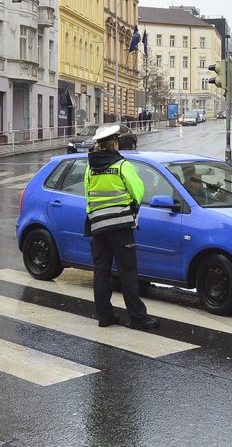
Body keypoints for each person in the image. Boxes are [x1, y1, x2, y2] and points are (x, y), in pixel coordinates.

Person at [84, 124, 159, 330]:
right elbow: (138, 191)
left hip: (98, 226)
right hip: (120, 226)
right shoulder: (121, 165)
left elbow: (87, 196)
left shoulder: (91, 168)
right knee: (127, 272)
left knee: (101, 271)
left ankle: (105, 317)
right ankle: (138, 318)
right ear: (114, 143)